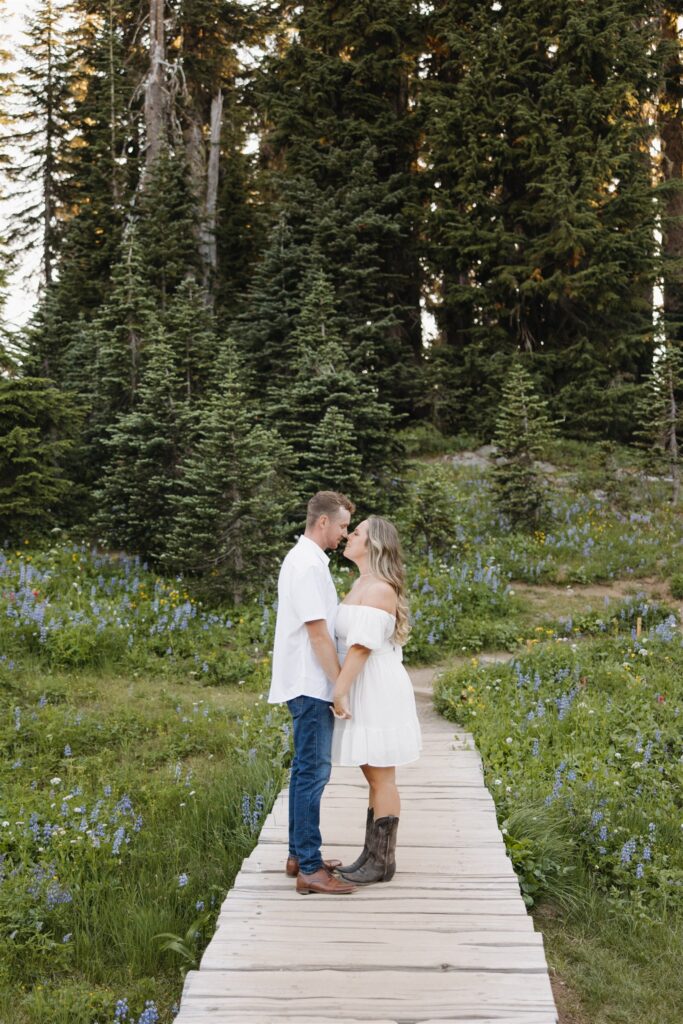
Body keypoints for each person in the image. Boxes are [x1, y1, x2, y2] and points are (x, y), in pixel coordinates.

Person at [268, 490, 357, 895]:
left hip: (310, 682)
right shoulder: (305, 565)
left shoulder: (308, 561)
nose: (345, 533)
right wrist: (340, 686)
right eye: (341, 525)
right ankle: (309, 868)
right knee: (313, 773)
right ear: (323, 522)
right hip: (310, 684)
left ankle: (298, 855)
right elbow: (318, 633)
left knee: (306, 770)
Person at [331, 516, 421, 884]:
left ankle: (383, 862)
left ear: (374, 544)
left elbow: (361, 646)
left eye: (355, 533)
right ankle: (371, 854)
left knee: (382, 775)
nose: (348, 537)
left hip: (376, 687)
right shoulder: (361, 583)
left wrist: (340, 689)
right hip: (363, 683)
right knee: (373, 774)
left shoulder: (380, 588)